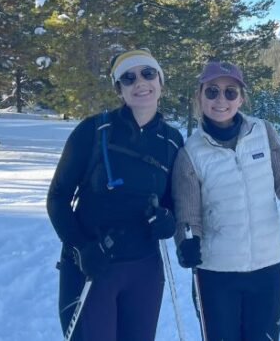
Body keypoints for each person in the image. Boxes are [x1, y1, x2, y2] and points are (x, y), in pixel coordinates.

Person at [173, 60, 280, 341]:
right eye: (212, 91)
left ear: (241, 97)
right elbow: (187, 217)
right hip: (216, 276)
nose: (221, 100)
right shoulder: (190, 153)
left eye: (230, 92)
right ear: (199, 96)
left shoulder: (262, 132)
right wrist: (186, 244)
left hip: (267, 271)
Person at [47, 49, 184, 340]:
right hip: (93, 267)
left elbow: (172, 202)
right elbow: (58, 197)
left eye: (148, 73)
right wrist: (82, 247)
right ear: (118, 88)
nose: (140, 83)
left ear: (160, 80)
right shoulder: (93, 130)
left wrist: (168, 221)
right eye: (128, 78)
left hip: (144, 270)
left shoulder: (172, 140)